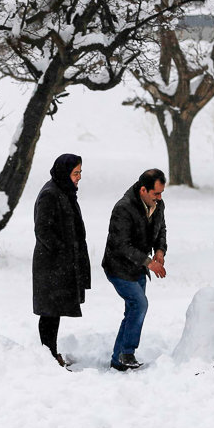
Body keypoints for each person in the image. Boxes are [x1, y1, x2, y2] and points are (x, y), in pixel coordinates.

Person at [101, 169, 168, 371]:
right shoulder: (123, 209)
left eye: (161, 193)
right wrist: (148, 262)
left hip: (138, 267)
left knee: (132, 310)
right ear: (142, 190)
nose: (160, 197)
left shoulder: (158, 205)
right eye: (156, 193)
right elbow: (121, 245)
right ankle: (127, 352)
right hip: (118, 267)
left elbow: (161, 229)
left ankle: (118, 359)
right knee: (139, 305)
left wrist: (160, 251)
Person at [32, 154, 91, 368]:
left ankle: (50, 353)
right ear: (64, 172)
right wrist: (63, 251)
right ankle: (48, 355)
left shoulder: (64, 192)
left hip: (60, 265)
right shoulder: (50, 194)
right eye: (76, 173)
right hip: (50, 266)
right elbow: (43, 230)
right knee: (49, 312)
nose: (79, 177)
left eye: (80, 173)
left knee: (54, 311)